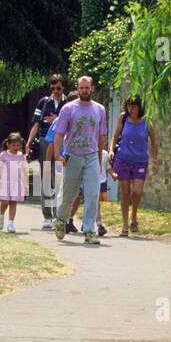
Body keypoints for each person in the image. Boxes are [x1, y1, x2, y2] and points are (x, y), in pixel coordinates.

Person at [50, 76, 108, 244]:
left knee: (92, 193)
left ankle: (89, 231)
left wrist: (99, 159)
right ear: (78, 89)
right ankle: (61, 219)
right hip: (73, 155)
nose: (84, 91)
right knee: (70, 193)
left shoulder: (99, 110)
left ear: (92, 89)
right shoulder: (68, 109)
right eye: (81, 88)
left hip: (91, 156)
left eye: (87, 88)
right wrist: (57, 154)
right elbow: (59, 133)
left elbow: (101, 135)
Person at [110, 95, 158, 235]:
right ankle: (125, 225)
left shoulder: (147, 121)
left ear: (139, 107)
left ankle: (134, 216)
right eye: (129, 106)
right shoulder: (123, 118)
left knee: (136, 192)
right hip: (123, 159)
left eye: (134, 106)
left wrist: (154, 161)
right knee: (125, 193)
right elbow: (115, 136)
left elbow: (154, 144)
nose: (131, 109)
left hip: (140, 161)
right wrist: (111, 150)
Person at [26, 74, 66, 229]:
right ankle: (47, 215)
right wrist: (29, 143)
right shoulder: (43, 102)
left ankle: (57, 214)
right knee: (46, 177)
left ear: (63, 87)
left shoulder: (68, 103)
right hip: (44, 140)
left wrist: (57, 119)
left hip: (62, 142)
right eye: (53, 88)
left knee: (59, 179)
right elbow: (36, 124)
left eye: (59, 88)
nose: (56, 91)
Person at [0, 133, 27, 232]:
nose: (16, 148)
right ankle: (1, 216)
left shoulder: (22, 156)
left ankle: (10, 224)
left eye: (18, 145)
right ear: (8, 144)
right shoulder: (4, 154)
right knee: (5, 202)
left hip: (16, 183)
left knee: (13, 203)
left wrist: (25, 183)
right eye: (13, 145)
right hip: (5, 182)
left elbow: (24, 170)